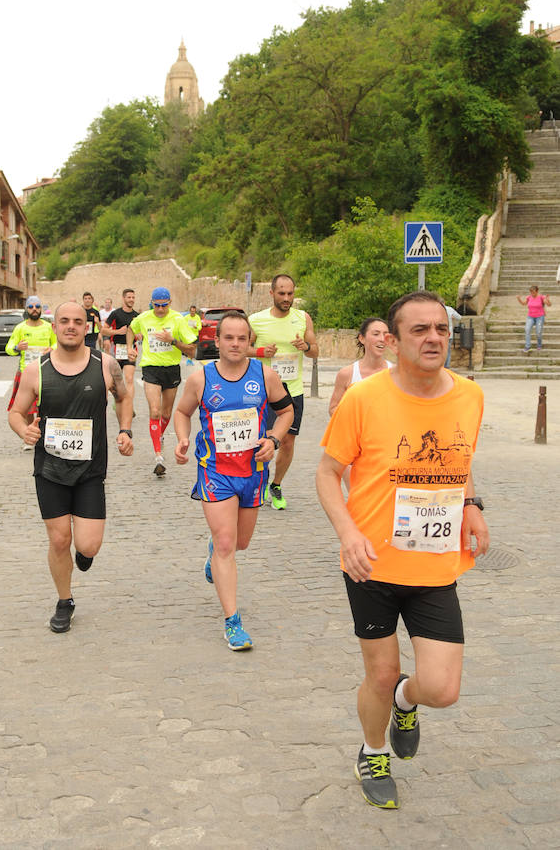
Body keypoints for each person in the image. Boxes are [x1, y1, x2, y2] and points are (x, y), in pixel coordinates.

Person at [316, 290, 489, 810]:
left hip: (435, 565)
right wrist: (348, 534)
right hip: (371, 564)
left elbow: (459, 460)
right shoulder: (363, 398)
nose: (434, 338)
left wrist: (471, 504)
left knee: (441, 689)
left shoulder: (470, 396)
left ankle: (403, 700)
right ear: (392, 341)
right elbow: (327, 473)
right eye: (419, 330)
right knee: (380, 670)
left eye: (441, 329)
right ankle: (372, 753)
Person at [8, 301, 134, 634]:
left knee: (88, 546)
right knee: (60, 539)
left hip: (91, 469)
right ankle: (65, 601)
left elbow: (123, 397)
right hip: (49, 468)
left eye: (78, 321)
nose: (71, 326)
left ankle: (84, 554)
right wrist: (24, 430)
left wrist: (125, 429)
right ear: (55, 327)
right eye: (64, 321)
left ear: (86, 327)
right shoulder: (36, 370)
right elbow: (16, 412)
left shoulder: (105, 365)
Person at [174, 311, 293, 649]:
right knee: (227, 544)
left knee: (240, 543)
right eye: (229, 337)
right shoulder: (201, 378)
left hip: (253, 472)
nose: (236, 344)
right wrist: (182, 438)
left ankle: (214, 550)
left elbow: (286, 412)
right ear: (217, 341)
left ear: (249, 341)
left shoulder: (265, 375)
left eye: (242, 338)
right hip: (215, 470)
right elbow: (182, 412)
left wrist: (273, 440)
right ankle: (233, 622)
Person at [248, 274, 318, 509]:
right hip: (265, 390)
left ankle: (276, 485)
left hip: (293, 390)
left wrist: (305, 347)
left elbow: (315, 351)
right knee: (265, 439)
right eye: (282, 294)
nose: (287, 298)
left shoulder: (303, 318)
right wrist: (260, 352)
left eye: (290, 293)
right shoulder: (256, 320)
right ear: (271, 293)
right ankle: (260, 481)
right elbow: (241, 348)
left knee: (288, 442)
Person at [126, 286, 196, 476]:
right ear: (151, 303)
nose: (160, 309)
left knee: (166, 413)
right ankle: (158, 456)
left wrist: (172, 340)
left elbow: (192, 349)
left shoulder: (178, 319)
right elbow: (130, 329)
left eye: (164, 305)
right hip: (151, 368)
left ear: (170, 303)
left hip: (171, 369)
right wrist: (130, 347)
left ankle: (160, 434)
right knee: (155, 411)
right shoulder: (144, 318)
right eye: (156, 305)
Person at [6, 295, 57, 450]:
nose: (34, 309)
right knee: (26, 408)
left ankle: (48, 436)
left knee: (47, 406)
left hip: (46, 371)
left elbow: (56, 343)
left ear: (41, 308)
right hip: (25, 372)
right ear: (26, 309)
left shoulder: (48, 327)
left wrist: (52, 349)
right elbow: (9, 347)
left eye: (37, 306)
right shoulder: (20, 328)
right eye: (31, 307)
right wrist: (17, 347)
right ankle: (29, 436)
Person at [328, 318, 392, 417]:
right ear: (362, 338)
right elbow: (333, 409)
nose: (382, 339)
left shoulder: (398, 373)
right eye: (376, 334)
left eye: (385, 335)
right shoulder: (347, 373)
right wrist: (356, 418)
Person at [101, 288, 139, 419]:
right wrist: (117, 332)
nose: (131, 300)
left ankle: (129, 406)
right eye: (129, 297)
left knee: (129, 379)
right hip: (116, 350)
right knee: (115, 381)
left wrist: (140, 335)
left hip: (131, 350)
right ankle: (118, 401)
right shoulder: (115, 314)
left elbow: (142, 333)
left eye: (133, 297)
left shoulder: (137, 316)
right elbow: (103, 331)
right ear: (123, 298)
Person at [517, 285, 551, 352]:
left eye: (533, 292)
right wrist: (519, 299)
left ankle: (539, 345)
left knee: (538, 332)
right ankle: (528, 346)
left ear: (537, 291)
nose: (532, 293)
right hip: (530, 317)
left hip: (540, 317)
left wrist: (548, 300)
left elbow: (549, 305)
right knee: (527, 330)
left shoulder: (541, 297)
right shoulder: (529, 297)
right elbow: (523, 303)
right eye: (531, 292)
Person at [443, 304, 462, 368]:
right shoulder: (450, 309)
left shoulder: (437, 309)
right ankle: (447, 367)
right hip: (449, 334)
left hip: (440, 335)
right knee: (448, 351)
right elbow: (459, 317)